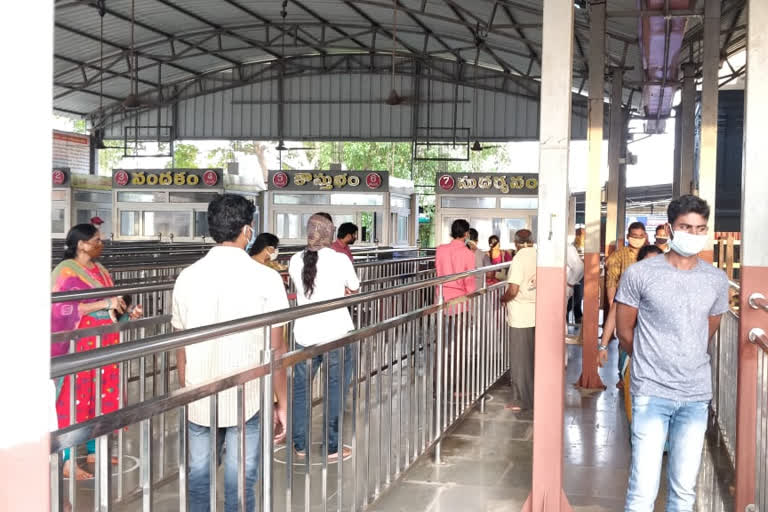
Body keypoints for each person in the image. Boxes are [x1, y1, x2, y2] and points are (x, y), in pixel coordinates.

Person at [172, 194, 290, 512]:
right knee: (240, 483)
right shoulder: (267, 278)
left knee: (199, 480)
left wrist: (186, 390)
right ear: (247, 231)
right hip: (247, 396)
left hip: (198, 395)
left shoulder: (187, 276)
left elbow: (181, 348)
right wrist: (282, 402)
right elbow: (276, 349)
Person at [615, 195, 728, 511]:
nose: (693, 234)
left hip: (695, 396)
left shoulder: (716, 280)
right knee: (642, 489)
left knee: (684, 490)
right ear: (669, 228)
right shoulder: (641, 274)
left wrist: (684, 353)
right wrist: (654, 360)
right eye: (686, 227)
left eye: (700, 228)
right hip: (651, 393)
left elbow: (708, 329)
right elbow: (625, 332)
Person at [51, 224, 143, 480]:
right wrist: (104, 303)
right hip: (80, 343)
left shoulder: (100, 270)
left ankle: (93, 449)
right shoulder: (65, 271)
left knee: (102, 393)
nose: (99, 244)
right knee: (76, 396)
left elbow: (113, 303)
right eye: (95, 240)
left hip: (104, 340)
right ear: (81, 244)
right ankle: (68, 459)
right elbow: (61, 310)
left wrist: (125, 312)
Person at [289, 213, 360, 461]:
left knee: (300, 391)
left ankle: (299, 444)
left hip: (304, 336)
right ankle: (332, 446)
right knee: (335, 390)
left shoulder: (295, 259)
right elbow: (354, 288)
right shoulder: (340, 260)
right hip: (336, 334)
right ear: (331, 234)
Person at [500, 229, 537, 412]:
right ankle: (533, 397)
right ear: (532, 240)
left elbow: (513, 290)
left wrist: (503, 299)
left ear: (516, 242)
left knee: (520, 360)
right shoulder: (538, 254)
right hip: (536, 312)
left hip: (520, 315)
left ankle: (520, 400)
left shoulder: (519, 258)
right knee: (532, 358)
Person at [605, 221, 648, 307]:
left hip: (647, 300)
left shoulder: (651, 253)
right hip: (625, 300)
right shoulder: (618, 254)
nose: (638, 239)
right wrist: (612, 304)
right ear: (628, 236)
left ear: (645, 236)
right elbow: (611, 280)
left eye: (641, 236)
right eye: (634, 236)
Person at [566, 228, 585, 322]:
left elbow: (579, 266)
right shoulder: (572, 245)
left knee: (576, 298)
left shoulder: (568, 248)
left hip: (572, 280)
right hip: (572, 280)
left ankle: (577, 317)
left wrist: (570, 283)